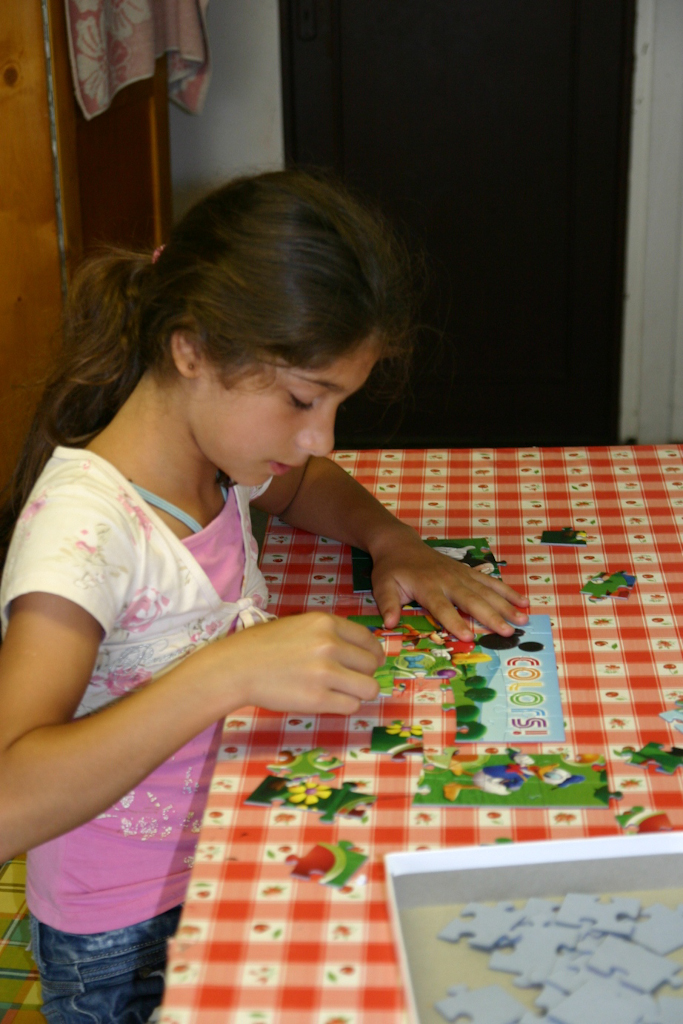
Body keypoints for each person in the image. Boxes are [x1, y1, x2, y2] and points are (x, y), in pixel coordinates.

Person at [0, 170, 529, 1023]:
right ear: (191, 351)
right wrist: (226, 672)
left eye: (334, 404)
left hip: (233, 848)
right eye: (301, 400)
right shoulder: (82, 533)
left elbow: (302, 484)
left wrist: (392, 541)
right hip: (124, 936)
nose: (319, 437)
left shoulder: (213, 459)